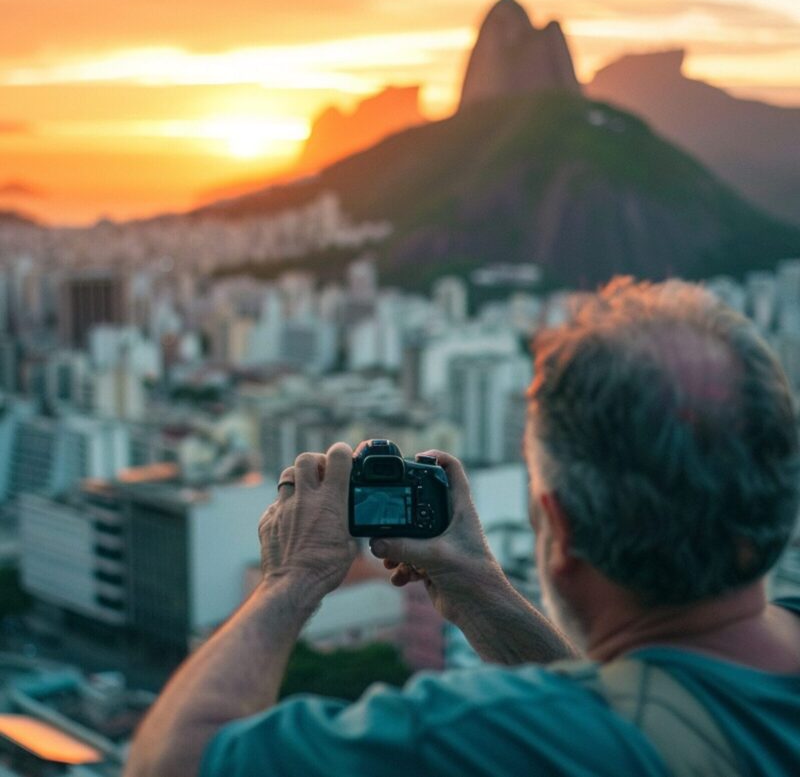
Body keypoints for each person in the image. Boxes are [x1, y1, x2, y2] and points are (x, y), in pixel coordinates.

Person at [125, 278, 800, 777]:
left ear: (558, 529)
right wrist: (480, 589)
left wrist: (290, 578)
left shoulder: (485, 735)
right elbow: (640, 712)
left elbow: (169, 763)